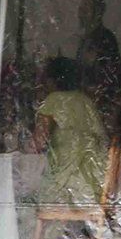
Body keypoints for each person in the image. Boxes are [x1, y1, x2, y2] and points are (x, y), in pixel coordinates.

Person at [33, 57, 107, 206]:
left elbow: (38, 143)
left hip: (64, 185)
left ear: (52, 80)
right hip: (93, 186)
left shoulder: (53, 100)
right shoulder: (86, 101)